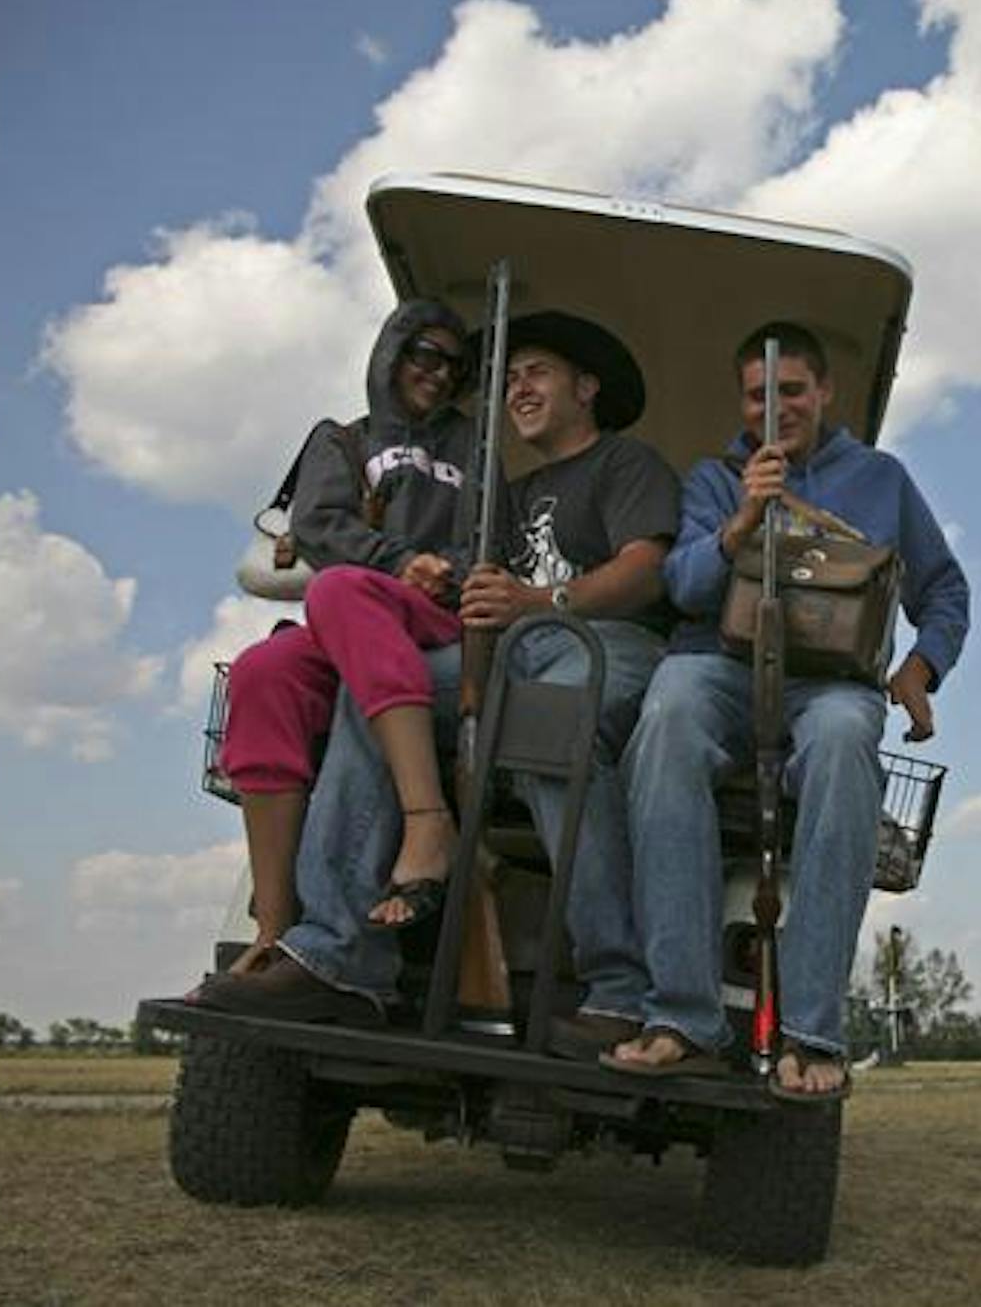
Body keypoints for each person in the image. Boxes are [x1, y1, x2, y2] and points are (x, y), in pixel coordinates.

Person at [196, 311, 679, 1028]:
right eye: (509, 378)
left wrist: (537, 600)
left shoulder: (625, 463)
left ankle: (617, 986)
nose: (516, 388)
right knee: (380, 684)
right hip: (510, 645)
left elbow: (645, 573)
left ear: (586, 387)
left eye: (536, 373)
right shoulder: (511, 489)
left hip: (598, 641)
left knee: (549, 724)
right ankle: (336, 958)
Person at [602, 320, 969, 1100]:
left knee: (843, 741)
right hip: (720, 665)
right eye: (760, 395)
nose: (777, 408)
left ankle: (811, 1031)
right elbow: (685, 589)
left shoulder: (883, 479)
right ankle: (682, 1017)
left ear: (825, 392)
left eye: (792, 391)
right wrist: (740, 521)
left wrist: (920, 667)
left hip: (829, 679)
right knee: (666, 717)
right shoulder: (711, 478)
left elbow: (944, 591)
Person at [212, 300, 471, 975]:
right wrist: (395, 559)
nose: (439, 375)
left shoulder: (478, 448)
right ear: (392, 352)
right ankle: (273, 926)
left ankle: (426, 819)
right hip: (361, 612)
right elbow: (319, 524)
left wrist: (443, 571)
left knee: (339, 590)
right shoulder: (341, 440)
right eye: (425, 355)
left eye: (453, 364)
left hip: (439, 617)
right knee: (263, 670)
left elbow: (493, 543)